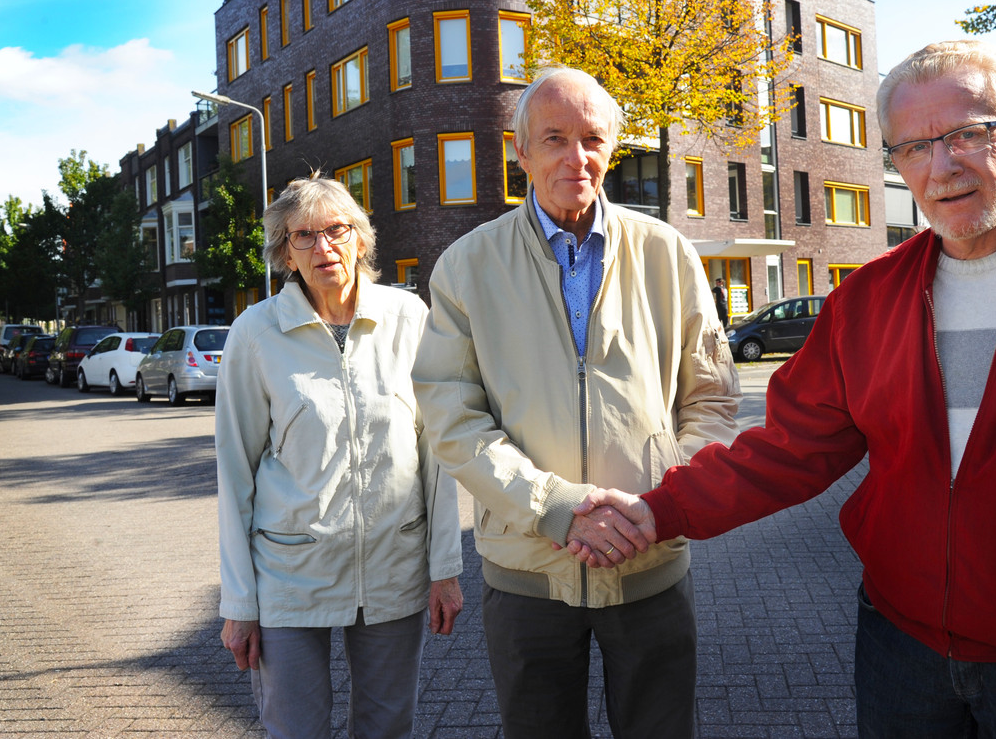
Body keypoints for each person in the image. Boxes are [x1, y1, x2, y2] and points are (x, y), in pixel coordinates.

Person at [572, 41, 996, 738]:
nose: (942, 166)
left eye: (967, 134)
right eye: (913, 148)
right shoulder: (868, 300)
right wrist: (656, 512)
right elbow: (787, 451)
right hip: (900, 652)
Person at [412, 66, 741, 739]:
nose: (576, 157)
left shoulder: (667, 253)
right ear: (521, 151)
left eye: (592, 138)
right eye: (554, 138)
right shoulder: (467, 266)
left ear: (612, 149)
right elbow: (450, 416)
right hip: (529, 575)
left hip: (649, 562)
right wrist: (555, 509)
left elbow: (710, 396)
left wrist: (658, 505)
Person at [215, 175, 464, 739]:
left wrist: (444, 568)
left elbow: (436, 452)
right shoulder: (255, 334)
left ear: (360, 238)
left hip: (394, 568)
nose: (323, 248)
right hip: (289, 575)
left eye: (336, 230)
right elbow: (234, 474)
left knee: (386, 727)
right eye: (304, 236)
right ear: (285, 253)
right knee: (296, 729)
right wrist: (240, 602)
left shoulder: (408, 319)